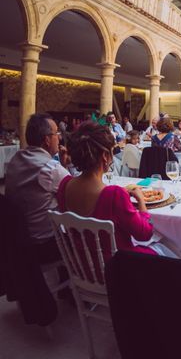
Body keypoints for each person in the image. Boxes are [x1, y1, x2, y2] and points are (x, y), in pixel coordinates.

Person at [57, 122, 161, 257]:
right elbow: (144, 234)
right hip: (117, 267)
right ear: (105, 156)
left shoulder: (64, 185)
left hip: (83, 265)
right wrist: (140, 200)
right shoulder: (114, 194)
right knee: (168, 248)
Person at [4, 113, 71, 264]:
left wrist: (63, 165)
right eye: (56, 133)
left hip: (17, 239)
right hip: (45, 244)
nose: (59, 138)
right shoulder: (50, 168)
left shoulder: (15, 158)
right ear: (47, 139)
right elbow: (75, 192)